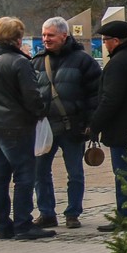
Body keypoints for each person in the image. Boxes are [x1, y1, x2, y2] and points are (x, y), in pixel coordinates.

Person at [0, 17, 52, 241]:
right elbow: (32, 97)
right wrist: (40, 111)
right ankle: (23, 225)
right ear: (17, 38)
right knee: (24, 176)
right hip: (16, 127)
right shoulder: (19, 62)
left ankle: (3, 226)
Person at [32, 17, 101, 229]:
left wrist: (91, 124)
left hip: (73, 127)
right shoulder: (36, 61)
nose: (46, 39)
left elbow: (95, 95)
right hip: (45, 128)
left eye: (50, 35)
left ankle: (73, 213)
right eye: (44, 35)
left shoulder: (83, 61)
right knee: (40, 172)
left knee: (75, 173)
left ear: (64, 35)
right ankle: (47, 213)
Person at [88, 20, 127, 232]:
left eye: (105, 40)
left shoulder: (118, 63)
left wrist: (95, 124)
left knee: (123, 174)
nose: (104, 44)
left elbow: (111, 98)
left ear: (115, 41)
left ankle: (125, 217)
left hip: (121, 129)